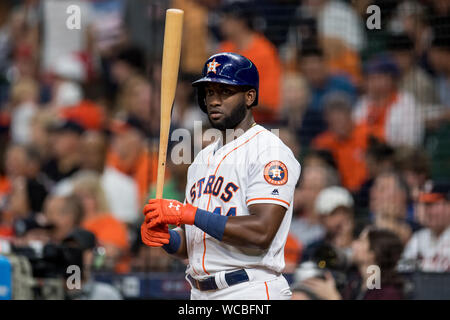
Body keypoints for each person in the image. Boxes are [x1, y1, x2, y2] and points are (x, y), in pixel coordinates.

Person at [141, 53, 301, 300]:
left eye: (225, 92)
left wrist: (188, 214)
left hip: (249, 289)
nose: (214, 100)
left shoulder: (269, 151)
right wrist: (168, 239)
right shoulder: (201, 160)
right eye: (209, 92)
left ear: (250, 96)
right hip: (199, 291)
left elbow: (261, 232)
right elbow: (193, 242)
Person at [293, 227, 404, 300]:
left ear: (372, 254)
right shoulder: (355, 283)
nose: (354, 243)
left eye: (361, 241)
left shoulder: (388, 293)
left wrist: (333, 297)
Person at [402, 181, 450, 272]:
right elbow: (404, 271)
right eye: (424, 205)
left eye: (431, 205)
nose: (426, 211)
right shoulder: (418, 238)